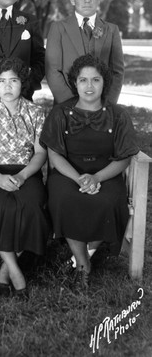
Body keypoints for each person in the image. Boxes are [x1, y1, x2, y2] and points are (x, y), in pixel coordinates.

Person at [40, 54, 139, 290]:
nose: (89, 86)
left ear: (104, 82)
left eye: (95, 80)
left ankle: (81, 257)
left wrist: (96, 178)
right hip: (68, 173)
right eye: (83, 80)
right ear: (75, 82)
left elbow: (124, 157)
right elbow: (54, 155)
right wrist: (78, 178)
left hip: (106, 172)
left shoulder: (118, 115)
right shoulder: (61, 113)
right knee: (65, 198)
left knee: (108, 201)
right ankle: (83, 264)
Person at [0, 57, 50, 298]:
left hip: (26, 171)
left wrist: (24, 175)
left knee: (33, 206)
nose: (7, 86)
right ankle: (15, 273)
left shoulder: (36, 113)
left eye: (13, 80)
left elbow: (40, 153)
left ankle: (4, 272)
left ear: (22, 83)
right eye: (2, 81)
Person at [45, 0, 124, 105]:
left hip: (102, 110)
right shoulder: (58, 28)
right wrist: (73, 105)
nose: (87, 0)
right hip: (66, 109)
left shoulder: (111, 30)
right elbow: (52, 70)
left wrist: (106, 105)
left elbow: (117, 72)